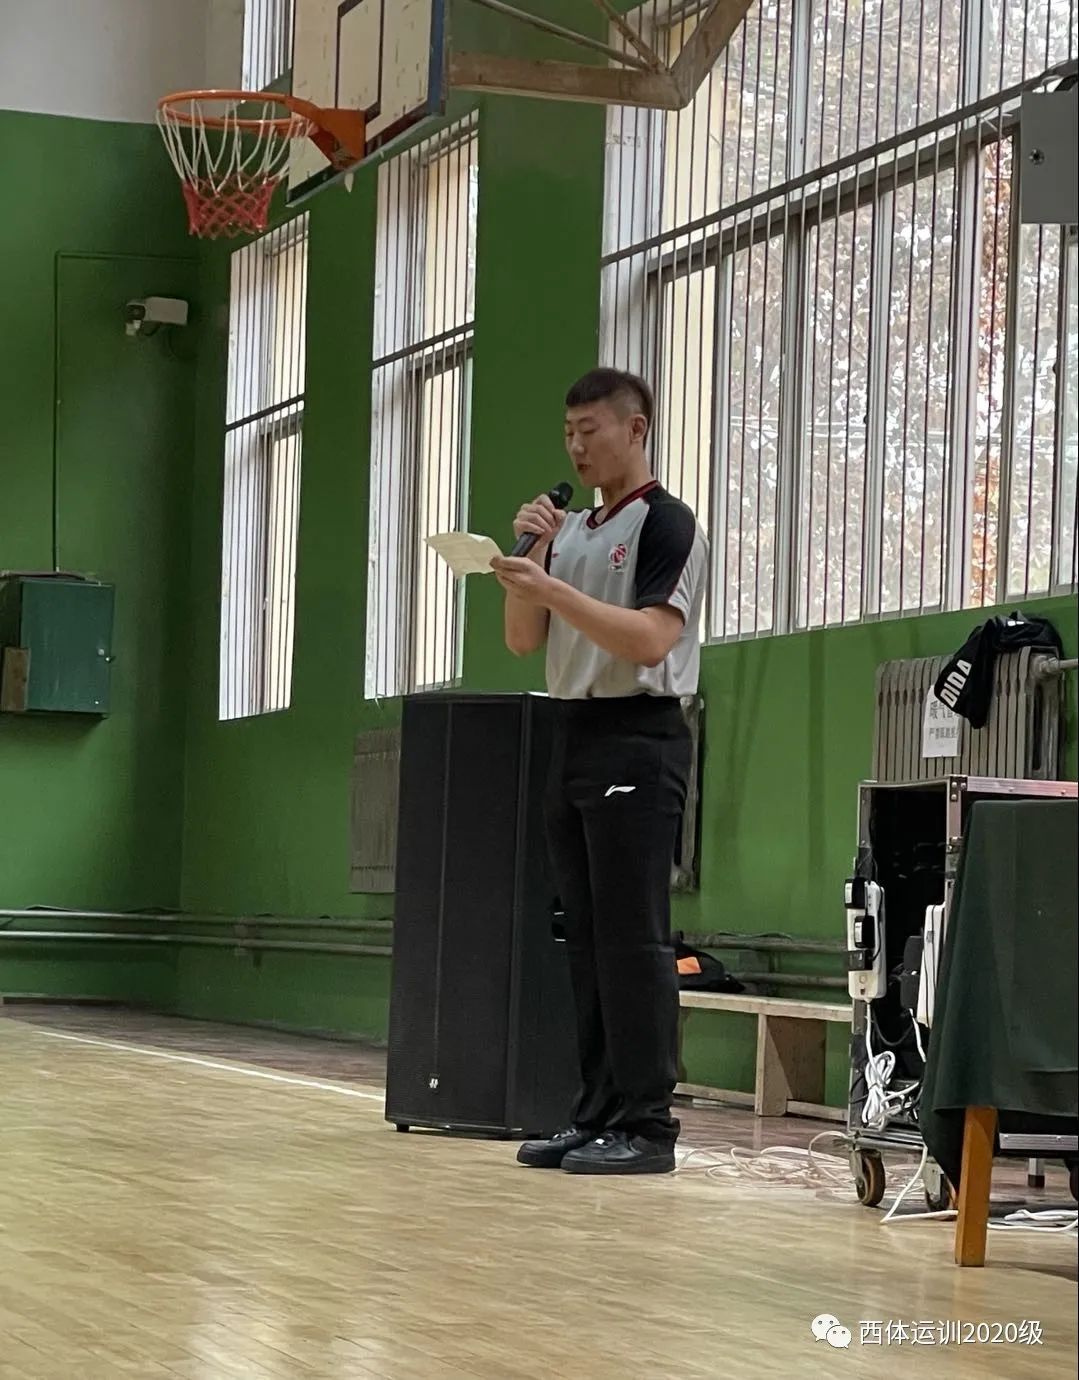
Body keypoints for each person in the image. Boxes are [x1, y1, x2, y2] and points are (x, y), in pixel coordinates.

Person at [491, 367, 707, 1175]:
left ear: (635, 429)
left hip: (637, 736)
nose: (576, 447)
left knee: (631, 938)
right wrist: (531, 565)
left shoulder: (665, 522)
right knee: (582, 935)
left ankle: (649, 1127)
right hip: (573, 732)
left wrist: (555, 589)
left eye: (591, 430)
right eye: (568, 433)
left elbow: (650, 638)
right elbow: (522, 639)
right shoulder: (570, 529)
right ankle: (596, 1114)